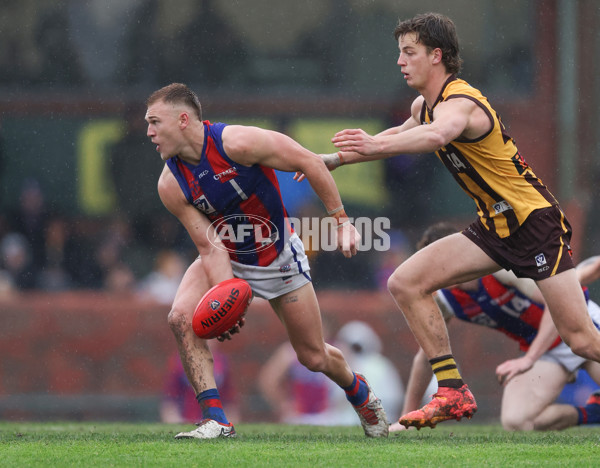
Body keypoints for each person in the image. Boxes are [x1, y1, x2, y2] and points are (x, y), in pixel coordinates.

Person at [322, 12, 600, 429]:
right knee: (405, 282)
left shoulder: (462, 102)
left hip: (534, 222)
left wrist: (371, 148)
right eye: (400, 52)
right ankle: (452, 391)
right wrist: (327, 161)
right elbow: (393, 137)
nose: (400, 61)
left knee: (580, 339)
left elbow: (434, 137)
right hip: (494, 227)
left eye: (409, 52)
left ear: (437, 56)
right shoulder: (425, 105)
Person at [144, 83, 388, 439]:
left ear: (183, 120)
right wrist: (227, 292)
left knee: (314, 356)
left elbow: (308, 161)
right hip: (227, 254)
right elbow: (210, 247)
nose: (149, 132)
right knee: (180, 318)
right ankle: (216, 419)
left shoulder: (239, 143)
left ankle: (362, 395)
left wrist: (343, 223)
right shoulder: (170, 184)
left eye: (154, 122)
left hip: (278, 256)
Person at [389, 223, 600, 432]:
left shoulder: (500, 269)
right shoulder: (446, 300)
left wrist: (529, 359)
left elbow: (557, 305)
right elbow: (426, 358)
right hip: (546, 350)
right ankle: (594, 412)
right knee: (517, 421)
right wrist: (406, 416)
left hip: (581, 327)